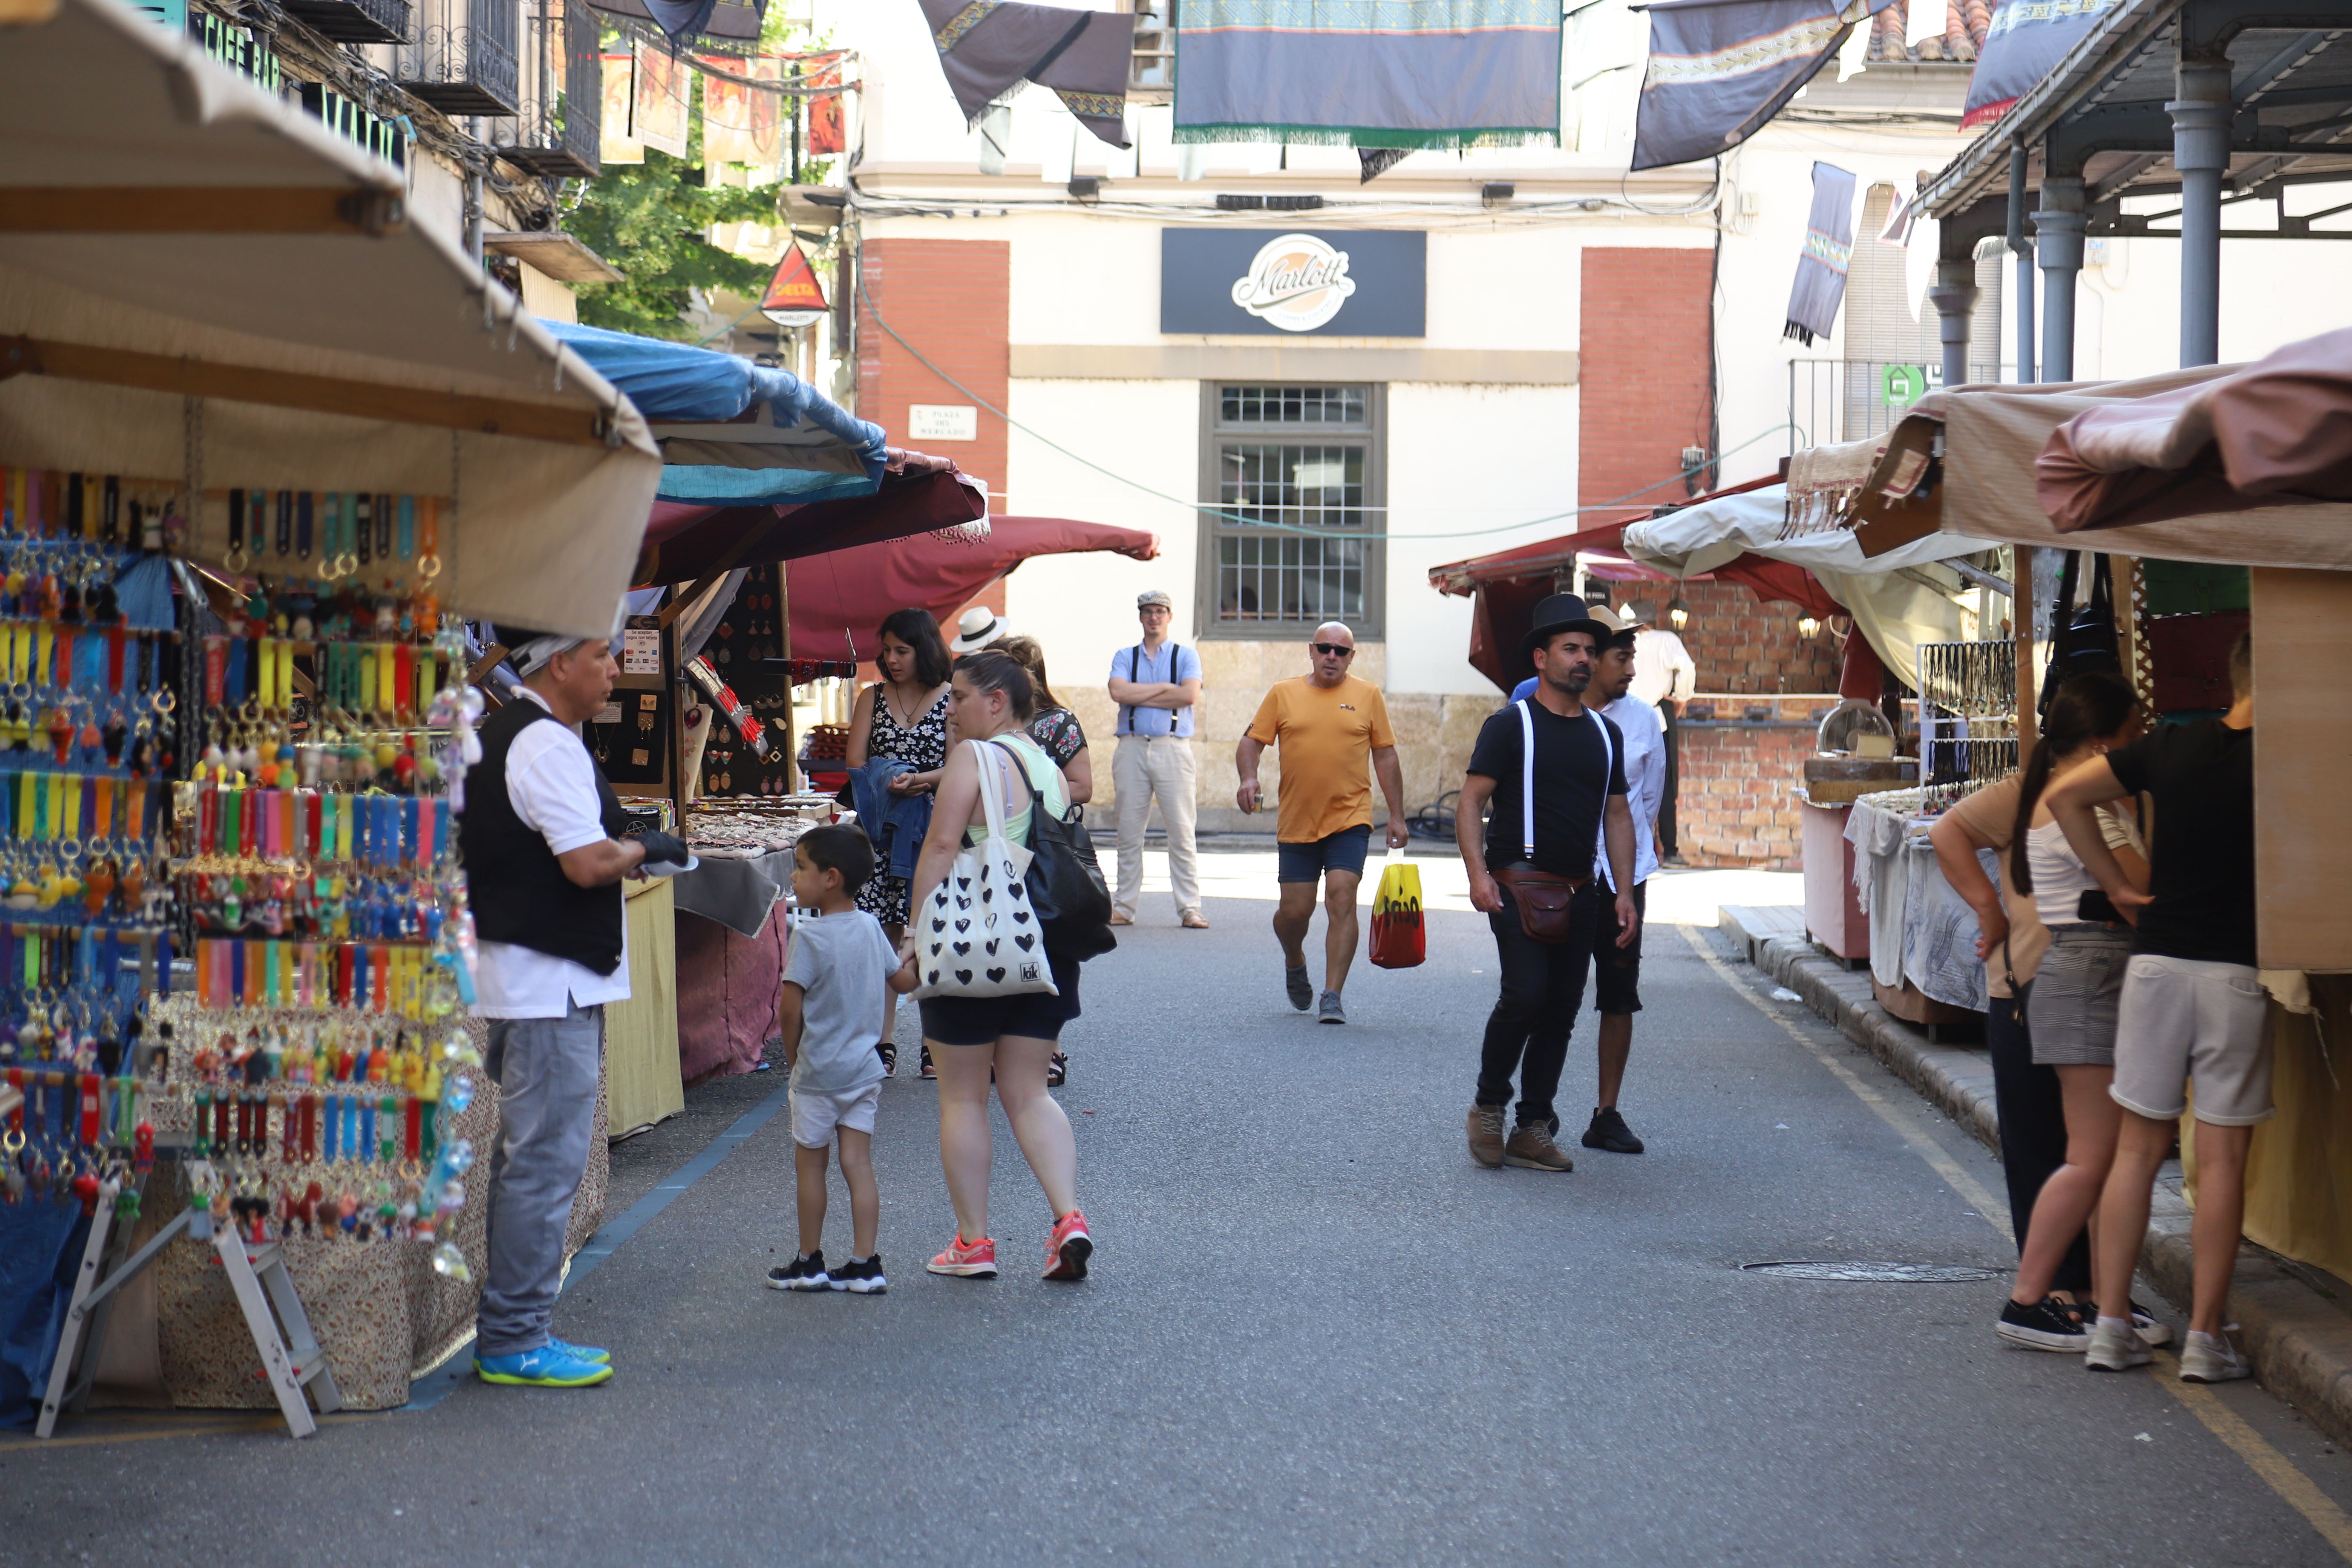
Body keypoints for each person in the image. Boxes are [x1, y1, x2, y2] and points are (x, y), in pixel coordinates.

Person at [461, 618, 688, 1388]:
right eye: (602, 657)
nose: (615, 673)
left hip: (533, 971)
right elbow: (587, 862)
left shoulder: (516, 732)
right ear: (560, 665)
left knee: (531, 1158)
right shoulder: (544, 742)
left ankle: (514, 1327)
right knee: (544, 1160)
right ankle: (516, 1336)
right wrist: (644, 848)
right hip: (548, 978)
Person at [2050, 632, 2263, 1383]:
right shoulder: (2290, 756)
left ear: (2232, 674)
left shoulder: (2171, 747)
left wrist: (2114, 882)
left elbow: (2063, 795)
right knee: (2222, 1155)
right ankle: (2206, 1337)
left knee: (2137, 1150)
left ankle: (2110, 1325)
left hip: (2155, 967)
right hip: (2236, 971)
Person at [1986, 676, 2164, 1351]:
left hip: (2080, 970)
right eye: (2134, 735)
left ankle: (2104, 1304)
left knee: (2102, 1154)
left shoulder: (2059, 801)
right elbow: (2139, 891)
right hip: (2088, 969)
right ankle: (2030, 1298)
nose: (2141, 747)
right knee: (2091, 1157)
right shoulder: (2086, 809)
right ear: (2101, 744)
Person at [905, 649, 1095, 1282]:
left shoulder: (973, 757)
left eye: (958, 697)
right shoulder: (1048, 765)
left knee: (962, 1094)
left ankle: (973, 1243)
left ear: (996, 701)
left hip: (976, 941)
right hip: (1045, 943)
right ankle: (1068, 1217)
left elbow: (939, 846)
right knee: (1030, 1091)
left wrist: (915, 933)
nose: (949, 710)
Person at [1457, 595, 1637, 1173]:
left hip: (1582, 889)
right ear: (1542, 658)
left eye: (1589, 650)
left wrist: (1625, 893)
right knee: (1525, 996)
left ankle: (1533, 1126)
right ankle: (1489, 1104)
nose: (1583, 659)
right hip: (1518, 883)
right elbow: (1471, 802)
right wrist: (1478, 875)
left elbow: (1617, 816)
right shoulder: (1511, 725)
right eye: (1571, 649)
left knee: (1562, 1010)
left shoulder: (1606, 735)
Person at [766, 825, 917, 1295]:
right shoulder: (872, 927)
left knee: (811, 1166)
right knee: (859, 1163)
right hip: (864, 1071)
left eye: (801, 867)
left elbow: (790, 1009)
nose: (793, 877)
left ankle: (810, 1260)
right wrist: (922, 950)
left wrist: (794, 1058)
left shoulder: (809, 938)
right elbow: (904, 982)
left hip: (817, 1075)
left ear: (831, 877)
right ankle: (864, 1262)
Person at [1236, 623, 1408, 1025]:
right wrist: (1248, 777)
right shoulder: (1283, 692)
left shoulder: (1368, 696)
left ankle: (1333, 994)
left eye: (1342, 651)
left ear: (1351, 658)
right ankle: (1295, 958)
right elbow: (1251, 742)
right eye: (1326, 649)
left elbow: (1385, 756)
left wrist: (1396, 814)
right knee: (1294, 913)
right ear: (1311, 651)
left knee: (1342, 896)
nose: (1333, 656)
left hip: (1350, 817)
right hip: (1297, 820)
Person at [844, 608, 953, 1077]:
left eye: (901, 650)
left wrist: (922, 780)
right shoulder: (872, 697)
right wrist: (890, 779)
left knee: (931, 933)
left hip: (935, 832)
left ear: (924, 649)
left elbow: (963, 762)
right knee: (886, 936)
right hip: (883, 833)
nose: (891, 659)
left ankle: (934, 1043)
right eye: (887, 649)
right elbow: (855, 763)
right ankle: (883, 1041)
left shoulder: (952, 698)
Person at [1579, 609, 1665, 1156]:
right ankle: (1533, 1111)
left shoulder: (1644, 720)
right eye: (1623, 658)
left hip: (1622, 880)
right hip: (1561, 875)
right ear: (1590, 659)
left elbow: (1647, 802)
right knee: (1547, 995)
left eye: (1633, 658)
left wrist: (1630, 883)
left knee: (1618, 994)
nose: (1632, 669)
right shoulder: (1544, 712)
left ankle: (1606, 1113)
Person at [992, 634, 1087, 1087]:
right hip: (994, 842)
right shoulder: (985, 723)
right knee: (1004, 945)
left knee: (1043, 942)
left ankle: (1050, 1047)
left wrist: (1033, 784)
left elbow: (1083, 785)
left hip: (1045, 846)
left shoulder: (1059, 722)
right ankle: (1008, 1044)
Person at [1107, 589, 1206, 930]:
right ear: (1140, 617)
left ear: (1170, 616)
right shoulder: (1125, 655)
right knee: (1128, 832)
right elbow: (1119, 692)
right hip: (1132, 747)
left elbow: (1189, 694)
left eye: (1160, 611)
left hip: (1173, 748)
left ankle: (1190, 908)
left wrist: (1143, 693)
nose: (1154, 618)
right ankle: (1124, 906)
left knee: (1181, 830)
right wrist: (1166, 688)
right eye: (1148, 612)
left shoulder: (1186, 656)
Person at [1626, 600, 1696, 862]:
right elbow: (1688, 668)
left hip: (1628, 718)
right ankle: (1670, 849)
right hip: (1659, 717)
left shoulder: (1623, 643)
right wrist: (1682, 697)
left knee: (1631, 782)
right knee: (1665, 784)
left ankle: (1636, 848)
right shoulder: (1666, 640)